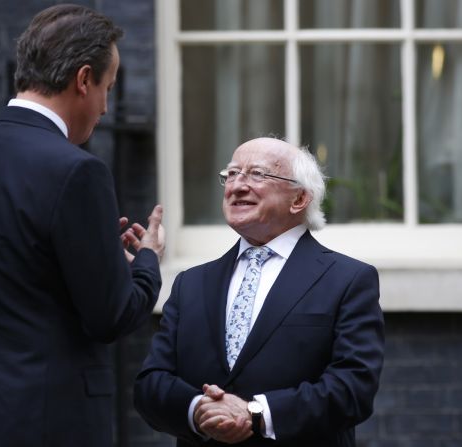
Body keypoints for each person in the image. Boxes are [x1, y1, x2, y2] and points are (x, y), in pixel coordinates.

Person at [0, 4, 165, 446]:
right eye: (108, 88)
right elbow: (111, 317)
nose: (107, 107)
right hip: (50, 422)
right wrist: (145, 260)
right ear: (84, 79)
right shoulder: (77, 171)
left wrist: (90, 254)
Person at [134, 137, 384, 446]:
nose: (237, 185)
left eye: (257, 175)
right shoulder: (191, 284)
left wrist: (257, 414)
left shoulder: (348, 280)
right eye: (232, 174)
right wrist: (198, 409)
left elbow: (353, 388)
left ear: (299, 199)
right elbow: (150, 385)